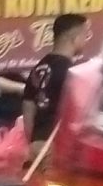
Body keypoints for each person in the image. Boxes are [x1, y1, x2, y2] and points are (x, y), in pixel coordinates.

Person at [23, 12, 90, 146]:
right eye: (85, 35)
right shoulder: (72, 72)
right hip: (58, 144)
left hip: (38, 141)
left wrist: (33, 141)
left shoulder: (40, 66)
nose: (86, 40)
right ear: (75, 38)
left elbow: (28, 105)